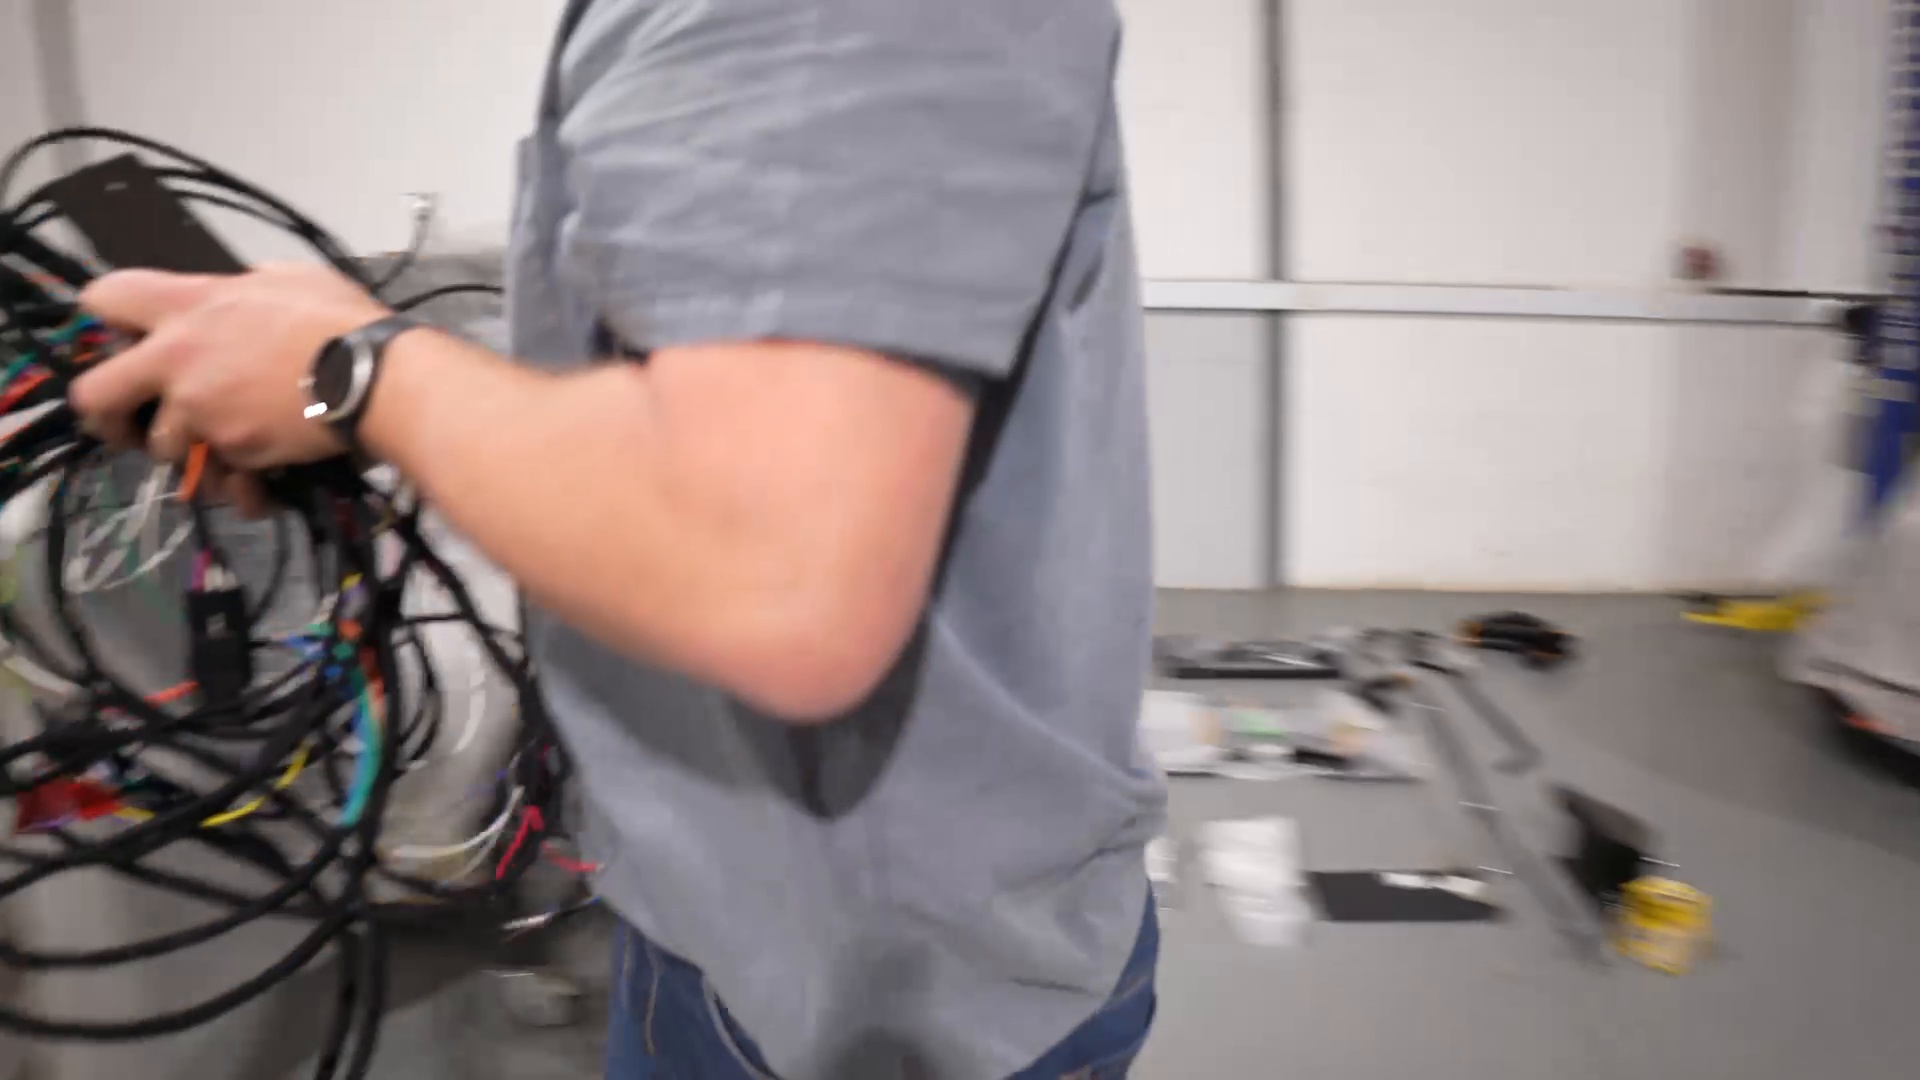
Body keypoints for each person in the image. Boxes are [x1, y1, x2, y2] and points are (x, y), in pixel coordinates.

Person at [68, 0, 1166, 1076]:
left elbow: (772, 572)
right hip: (733, 922)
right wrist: (338, 366)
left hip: (874, 1009)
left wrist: (350, 374)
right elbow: (699, 368)